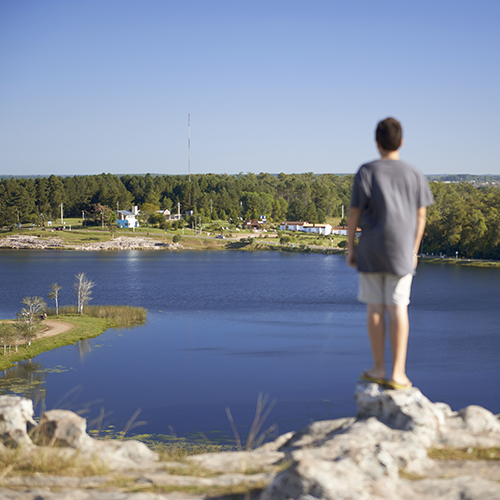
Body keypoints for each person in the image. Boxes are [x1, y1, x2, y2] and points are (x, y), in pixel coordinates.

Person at [347, 117, 433, 390]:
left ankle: (378, 367)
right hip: (401, 251)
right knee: (398, 308)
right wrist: (415, 250)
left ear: (377, 142)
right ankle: (398, 374)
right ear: (401, 142)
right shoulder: (414, 173)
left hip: (371, 248)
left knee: (374, 307)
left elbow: (354, 214)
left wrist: (351, 247)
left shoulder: (366, 171)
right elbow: (421, 216)